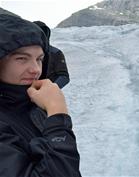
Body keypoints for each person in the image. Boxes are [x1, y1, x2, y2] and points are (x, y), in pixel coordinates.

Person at [0, 14, 81, 176]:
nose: (36, 69)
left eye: (39, 59)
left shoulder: (30, 102)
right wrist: (58, 115)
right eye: (22, 58)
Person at [33, 20, 70, 89]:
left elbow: (64, 76)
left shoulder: (55, 52)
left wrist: (49, 89)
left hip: (46, 95)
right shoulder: (24, 52)